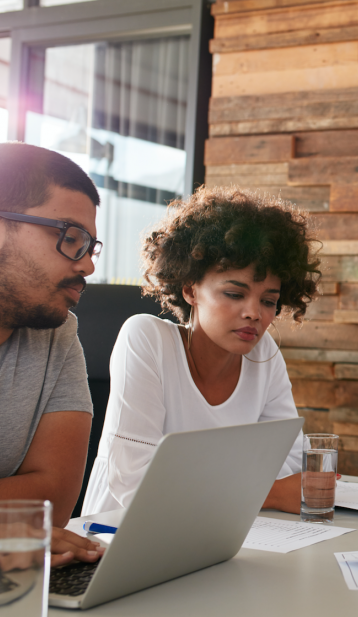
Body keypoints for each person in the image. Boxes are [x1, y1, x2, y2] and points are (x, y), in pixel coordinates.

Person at [81, 186, 320, 515]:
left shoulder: (264, 355)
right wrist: (271, 494)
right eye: (235, 294)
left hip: (220, 531)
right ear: (190, 289)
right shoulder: (146, 338)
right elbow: (138, 485)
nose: (255, 313)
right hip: (115, 538)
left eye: (268, 301)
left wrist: (214, 485)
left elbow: (292, 465)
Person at [0, 142, 104, 566]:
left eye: (90, 246)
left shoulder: (56, 333)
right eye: (69, 237)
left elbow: (53, 504)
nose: (87, 266)